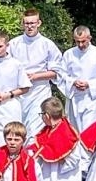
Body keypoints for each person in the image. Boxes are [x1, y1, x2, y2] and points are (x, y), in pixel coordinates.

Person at [12, 8, 63, 137]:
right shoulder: (14, 43)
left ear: (39, 23)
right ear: (23, 24)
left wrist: (36, 76)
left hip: (39, 92)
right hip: (19, 92)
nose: (29, 26)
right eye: (27, 23)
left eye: (32, 23)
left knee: (35, 129)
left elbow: (56, 71)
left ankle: (33, 155)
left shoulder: (47, 44)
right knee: (18, 128)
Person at [0, 31, 30, 154]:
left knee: (11, 138)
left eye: (0, 46)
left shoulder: (16, 64)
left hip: (10, 107)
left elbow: (25, 87)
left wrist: (8, 95)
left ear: (7, 45)